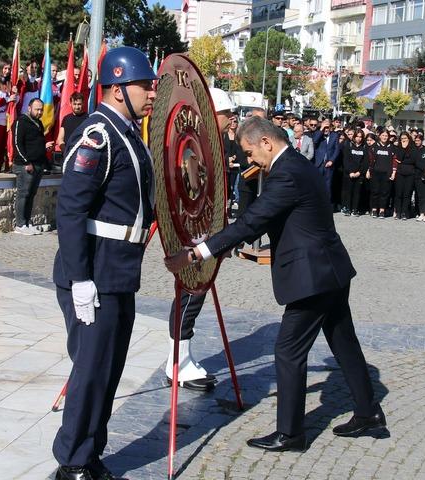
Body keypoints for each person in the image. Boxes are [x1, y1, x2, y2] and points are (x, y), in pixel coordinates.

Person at [164, 116, 386, 452]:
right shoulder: (296, 163)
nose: (250, 160)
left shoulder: (287, 173)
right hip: (332, 271)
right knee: (344, 343)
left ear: (266, 142)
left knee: (287, 350)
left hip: (314, 278)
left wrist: (199, 252)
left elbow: (253, 221)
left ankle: (291, 433)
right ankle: (369, 413)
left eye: (250, 152)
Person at [51, 46, 157, 480]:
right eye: (143, 85)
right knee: (91, 371)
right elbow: (71, 209)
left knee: (108, 370)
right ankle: (72, 460)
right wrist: (80, 279)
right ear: (116, 88)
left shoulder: (127, 131)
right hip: (94, 271)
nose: (151, 93)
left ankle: (91, 451)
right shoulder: (99, 134)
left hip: (119, 271)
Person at [163, 87, 236, 392]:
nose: (231, 120)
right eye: (226, 115)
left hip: (207, 227)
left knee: (197, 292)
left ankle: (182, 358)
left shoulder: (211, 142)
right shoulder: (197, 143)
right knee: (191, 292)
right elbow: (192, 187)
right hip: (194, 229)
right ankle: (176, 362)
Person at [12, 98, 53, 235]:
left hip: (38, 165)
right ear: (29, 108)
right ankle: (20, 224)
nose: (40, 112)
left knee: (31, 195)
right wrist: (26, 162)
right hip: (25, 166)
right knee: (23, 194)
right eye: (37, 109)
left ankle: (27, 222)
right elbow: (17, 144)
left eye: (41, 109)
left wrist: (44, 148)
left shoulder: (39, 123)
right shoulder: (21, 122)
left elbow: (36, 142)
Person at [366, 129, 396, 218]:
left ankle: (382, 210)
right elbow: (370, 160)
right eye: (383, 135)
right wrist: (369, 170)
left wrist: (393, 172)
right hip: (375, 172)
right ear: (379, 136)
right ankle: (374, 209)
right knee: (375, 191)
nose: (384, 137)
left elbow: (394, 160)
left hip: (387, 173)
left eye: (386, 136)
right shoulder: (374, 146)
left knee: (384, 192)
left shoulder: (391, 146)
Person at [341, 129, 367, 216]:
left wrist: (359, 172)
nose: (359, 138)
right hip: (349, 173)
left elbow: (365, 162)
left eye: (360, 137)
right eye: (357, 136)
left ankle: (355, 209)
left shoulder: (364, 147)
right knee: (349, 192)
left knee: (357, 192)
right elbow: (346, 160)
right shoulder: (349, 145)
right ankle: (347, 208)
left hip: (359, 174)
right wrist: (351, 172)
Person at [392, 132, 417, 220]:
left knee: (407, 193)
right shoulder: (398, 147)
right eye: (402, 138)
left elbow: (413, 160)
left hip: (410, 173)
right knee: (398, 193)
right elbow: (398, 158)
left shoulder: (413, 147)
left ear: (409, 138)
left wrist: (403, 161)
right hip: (400, 172)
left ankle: (404, 212)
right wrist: (403, 148)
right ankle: (398, 211)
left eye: (405, 138)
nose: (404, 140)